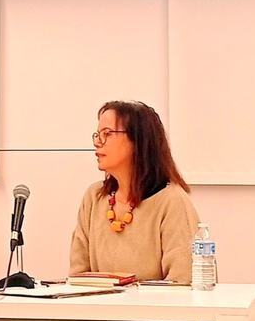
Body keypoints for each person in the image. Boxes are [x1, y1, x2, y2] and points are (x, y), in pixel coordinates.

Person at [69, 100, 199, 282]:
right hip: (98, 302)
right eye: (97, 135)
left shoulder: (172, 202)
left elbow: (184, 283)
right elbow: (78, 279)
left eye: (107, 134)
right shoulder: (94, 197)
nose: (98, 142)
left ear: (138, 141)